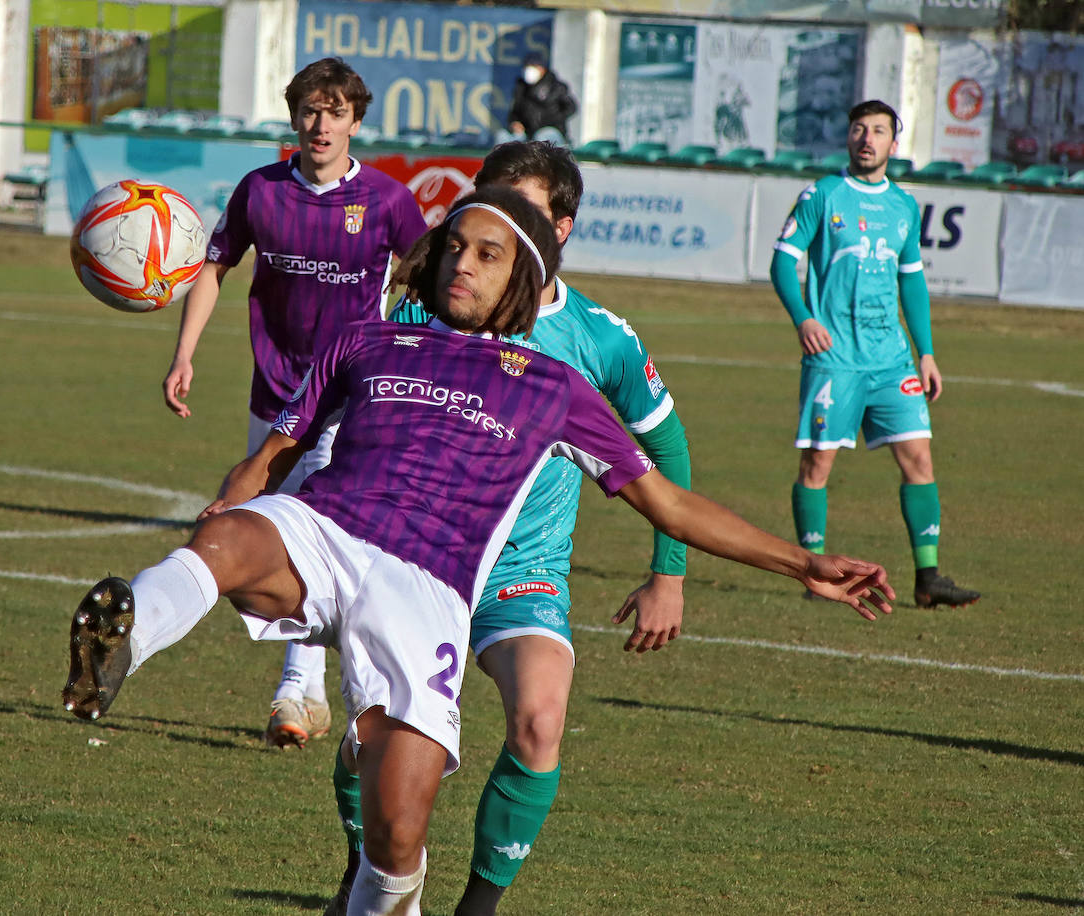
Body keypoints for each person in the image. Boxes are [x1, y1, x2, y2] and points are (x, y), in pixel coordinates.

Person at [65, 185, 895, 916]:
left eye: (487, 254)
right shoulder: (369, 340)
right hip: (326, 532)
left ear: (521, 280)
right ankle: (124, 641)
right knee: (232, 540)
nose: (461, 263)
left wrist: (804, 563)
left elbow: (668, 504)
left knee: (398, 834)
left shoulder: (556, 389)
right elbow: (273, 455)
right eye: (454, 246)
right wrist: (232, 497)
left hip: (425, 587)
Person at [326, 141, 693, 916]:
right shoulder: (427, 304)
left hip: (520, 573)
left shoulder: (598, 337)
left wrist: (669, 571)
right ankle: (367, 877)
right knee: (370, 745)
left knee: (539, 719)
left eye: (521, 212)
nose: (491, 228)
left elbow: (665, 444)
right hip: (414, 561)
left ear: (560, 228)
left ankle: (477, 909)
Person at [161, 57, 428, 747]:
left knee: (307, 527)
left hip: (348, 400)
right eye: (309, 110)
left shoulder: (388, 200)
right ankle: (315, 691)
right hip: (273, 392)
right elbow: (215, 265)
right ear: (294, 117)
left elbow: (429, 281)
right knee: (276, 531)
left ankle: (294, 690)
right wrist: (185, 352)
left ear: (355, 122)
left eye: (334, 112)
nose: (320, 124)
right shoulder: (261, 192)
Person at [770, 99, 980, 609]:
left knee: (919, 458)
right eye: (859, 129)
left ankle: (928, 579)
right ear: (849, 138)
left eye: (878, 131)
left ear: (893, 142)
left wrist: (926, 353)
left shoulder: (904, 206)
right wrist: (804, 318)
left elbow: (913, 282)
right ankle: (814, 573)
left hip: (892, 360)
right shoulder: (823, 194)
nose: (867, 138)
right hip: (835, 357)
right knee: (817, 464)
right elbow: (782, 261)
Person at [506, 51, 577, 145]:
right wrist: (515, 123)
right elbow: (514, 112)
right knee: (504, 137)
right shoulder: (521, 88)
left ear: (542, 69)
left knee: (541, 138)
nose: (530, 70)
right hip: (527, 133)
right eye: (527, 67)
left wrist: (551, 120)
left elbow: (571, 108)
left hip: (551, 131)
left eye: (534, 67)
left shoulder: (556, 87)